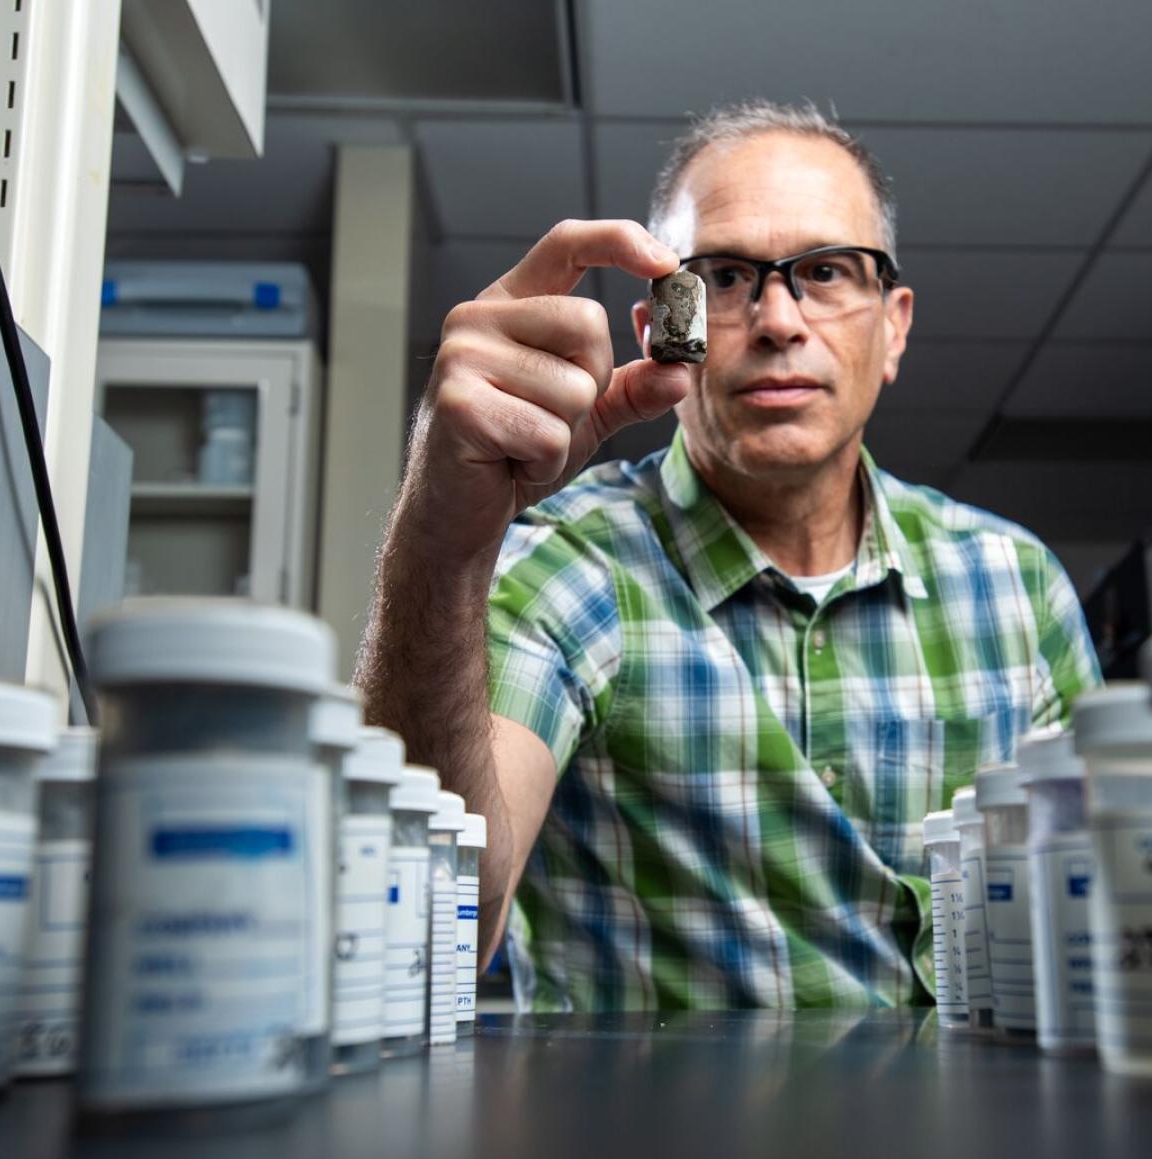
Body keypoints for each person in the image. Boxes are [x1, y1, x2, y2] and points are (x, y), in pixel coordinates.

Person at [357, 99, 1100, 1011]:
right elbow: (425, 941)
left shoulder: (1017, 588)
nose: (780, 319)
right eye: (725, 276)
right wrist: (442, 546)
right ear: (660, 329)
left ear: (893, 326)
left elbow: (1114, 922)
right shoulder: (570, 567)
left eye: (826, 272)